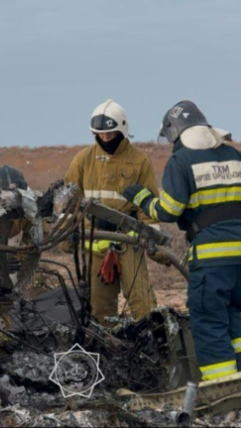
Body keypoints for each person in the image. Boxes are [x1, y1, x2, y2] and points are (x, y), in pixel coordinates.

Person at [123, 101, 241, 380]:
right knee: (229, 313)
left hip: (212, 255)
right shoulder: (237, 157)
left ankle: (223, 387)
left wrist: (142, 198)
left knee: (208, 320)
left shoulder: (181, 161)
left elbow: (169, 210)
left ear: (175, 133)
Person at [64, 99, 167, 325]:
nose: (106, 138)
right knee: (98, 311)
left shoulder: (139, 160)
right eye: (101, 134)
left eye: (111, 133)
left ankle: (154, 349)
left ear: (122, 129)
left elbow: (148, 205)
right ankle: (108, 355)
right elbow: (69, 201)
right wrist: (67, 233)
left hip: (129, 243)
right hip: (94, 245)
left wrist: (153, 240)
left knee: (143, 305)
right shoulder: (83, 160)